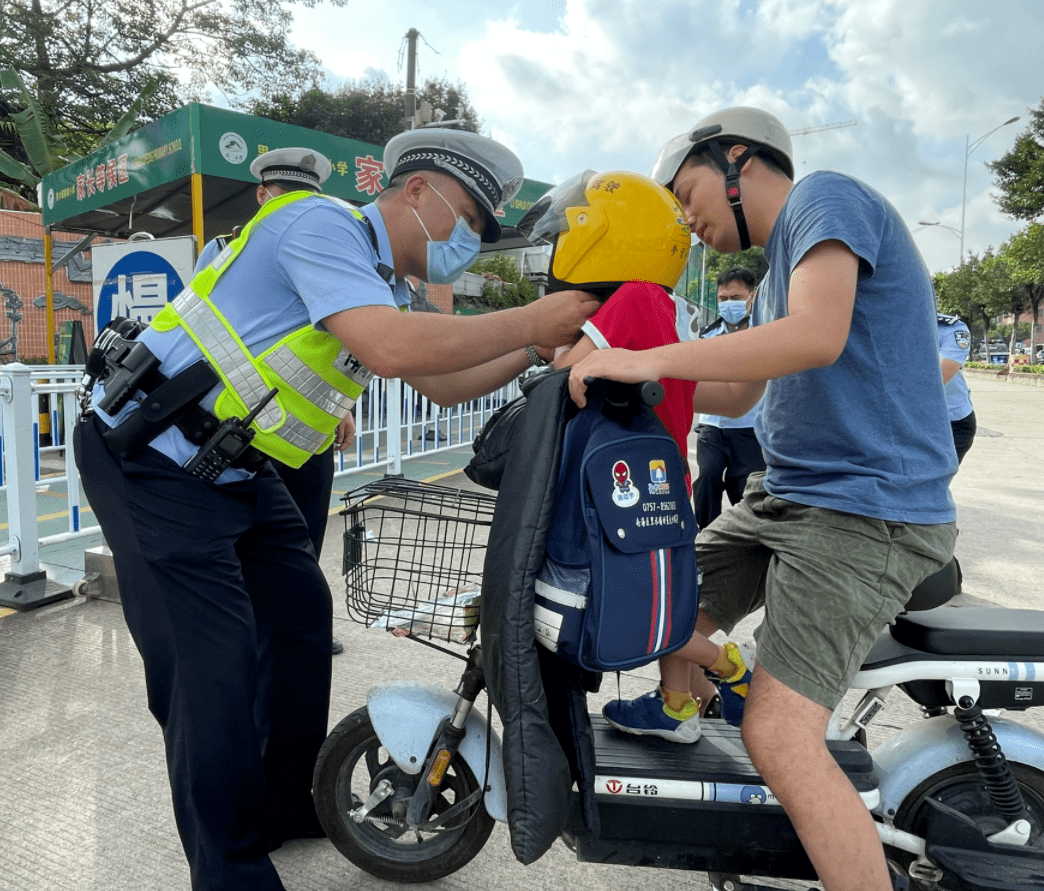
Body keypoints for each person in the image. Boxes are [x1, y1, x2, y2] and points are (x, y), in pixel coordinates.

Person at [74, 127, 598, 891]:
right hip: (152, 463)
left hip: (237, 472)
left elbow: (439, 381)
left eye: (486, 231)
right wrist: (532, 321)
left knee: (297, 620)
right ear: (415, 191)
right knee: (209, 671)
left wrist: (539, 353)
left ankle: (288, 805)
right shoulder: (316, 223)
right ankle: (232, 872)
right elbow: (390, 348)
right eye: (469, 218)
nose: (472, 240)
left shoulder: (383, 281)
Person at [568, 107, 957, 891]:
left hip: (866, 513)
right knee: (645, 602)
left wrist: (653, 351)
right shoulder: (779, 267)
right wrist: (616, 373)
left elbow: (817, 335)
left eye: (688, 191)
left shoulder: (826, 199)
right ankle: (691, 705)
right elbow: (740, 386)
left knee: (779, 738)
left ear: (737, 159)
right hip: (784, 497)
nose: (688, 218)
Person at [519, 169, 753, 742]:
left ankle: (734, 669)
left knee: (635, 601)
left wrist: (551, 340)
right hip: (655, 481)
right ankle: (678, 704)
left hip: (619, 488)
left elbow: (564, 372)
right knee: (661, 586)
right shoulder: (665, 306)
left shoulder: (635, 298)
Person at [194, 146, 352, 655]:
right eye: (287, 196)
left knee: (305, 526)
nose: (297, 208)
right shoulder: (223, 249)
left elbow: (342, 335)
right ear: (263, 195)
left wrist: (344, 406)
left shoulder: (329, 251)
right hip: (241, 424)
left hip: (307, 421)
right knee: (245, 530)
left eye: (307, 197)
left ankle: (302, 625)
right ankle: (252, 629)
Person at [692, 266, 766, 531]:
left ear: (752, 296)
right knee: (707, 478)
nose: (728, 304)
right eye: (723, 299)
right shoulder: (707, 336)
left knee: (744, 488)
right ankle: (705, 539)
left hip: (749, 427)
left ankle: (743, 540)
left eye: (735, 298)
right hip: (712, 426)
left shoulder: (764, 336)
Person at [938, 311, 977, 463]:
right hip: (905, 421)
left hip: (953, 421)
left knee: (934, 483)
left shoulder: (949, 328)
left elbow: (940, 375)